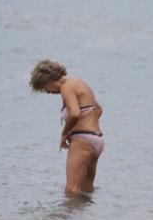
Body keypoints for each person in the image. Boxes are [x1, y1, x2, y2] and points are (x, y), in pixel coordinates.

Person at [29, 61, 105, 195]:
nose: (47, 92)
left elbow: (75, 113)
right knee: (86, 189)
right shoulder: (79, 83)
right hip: (96, 140)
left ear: (48, 80)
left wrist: (65, 133)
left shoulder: (66, 87)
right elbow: (99, 110)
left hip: (82, 140)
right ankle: (88, 216)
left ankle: (70, 215)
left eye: (44, 87)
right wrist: (88, 124)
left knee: (71, 189)